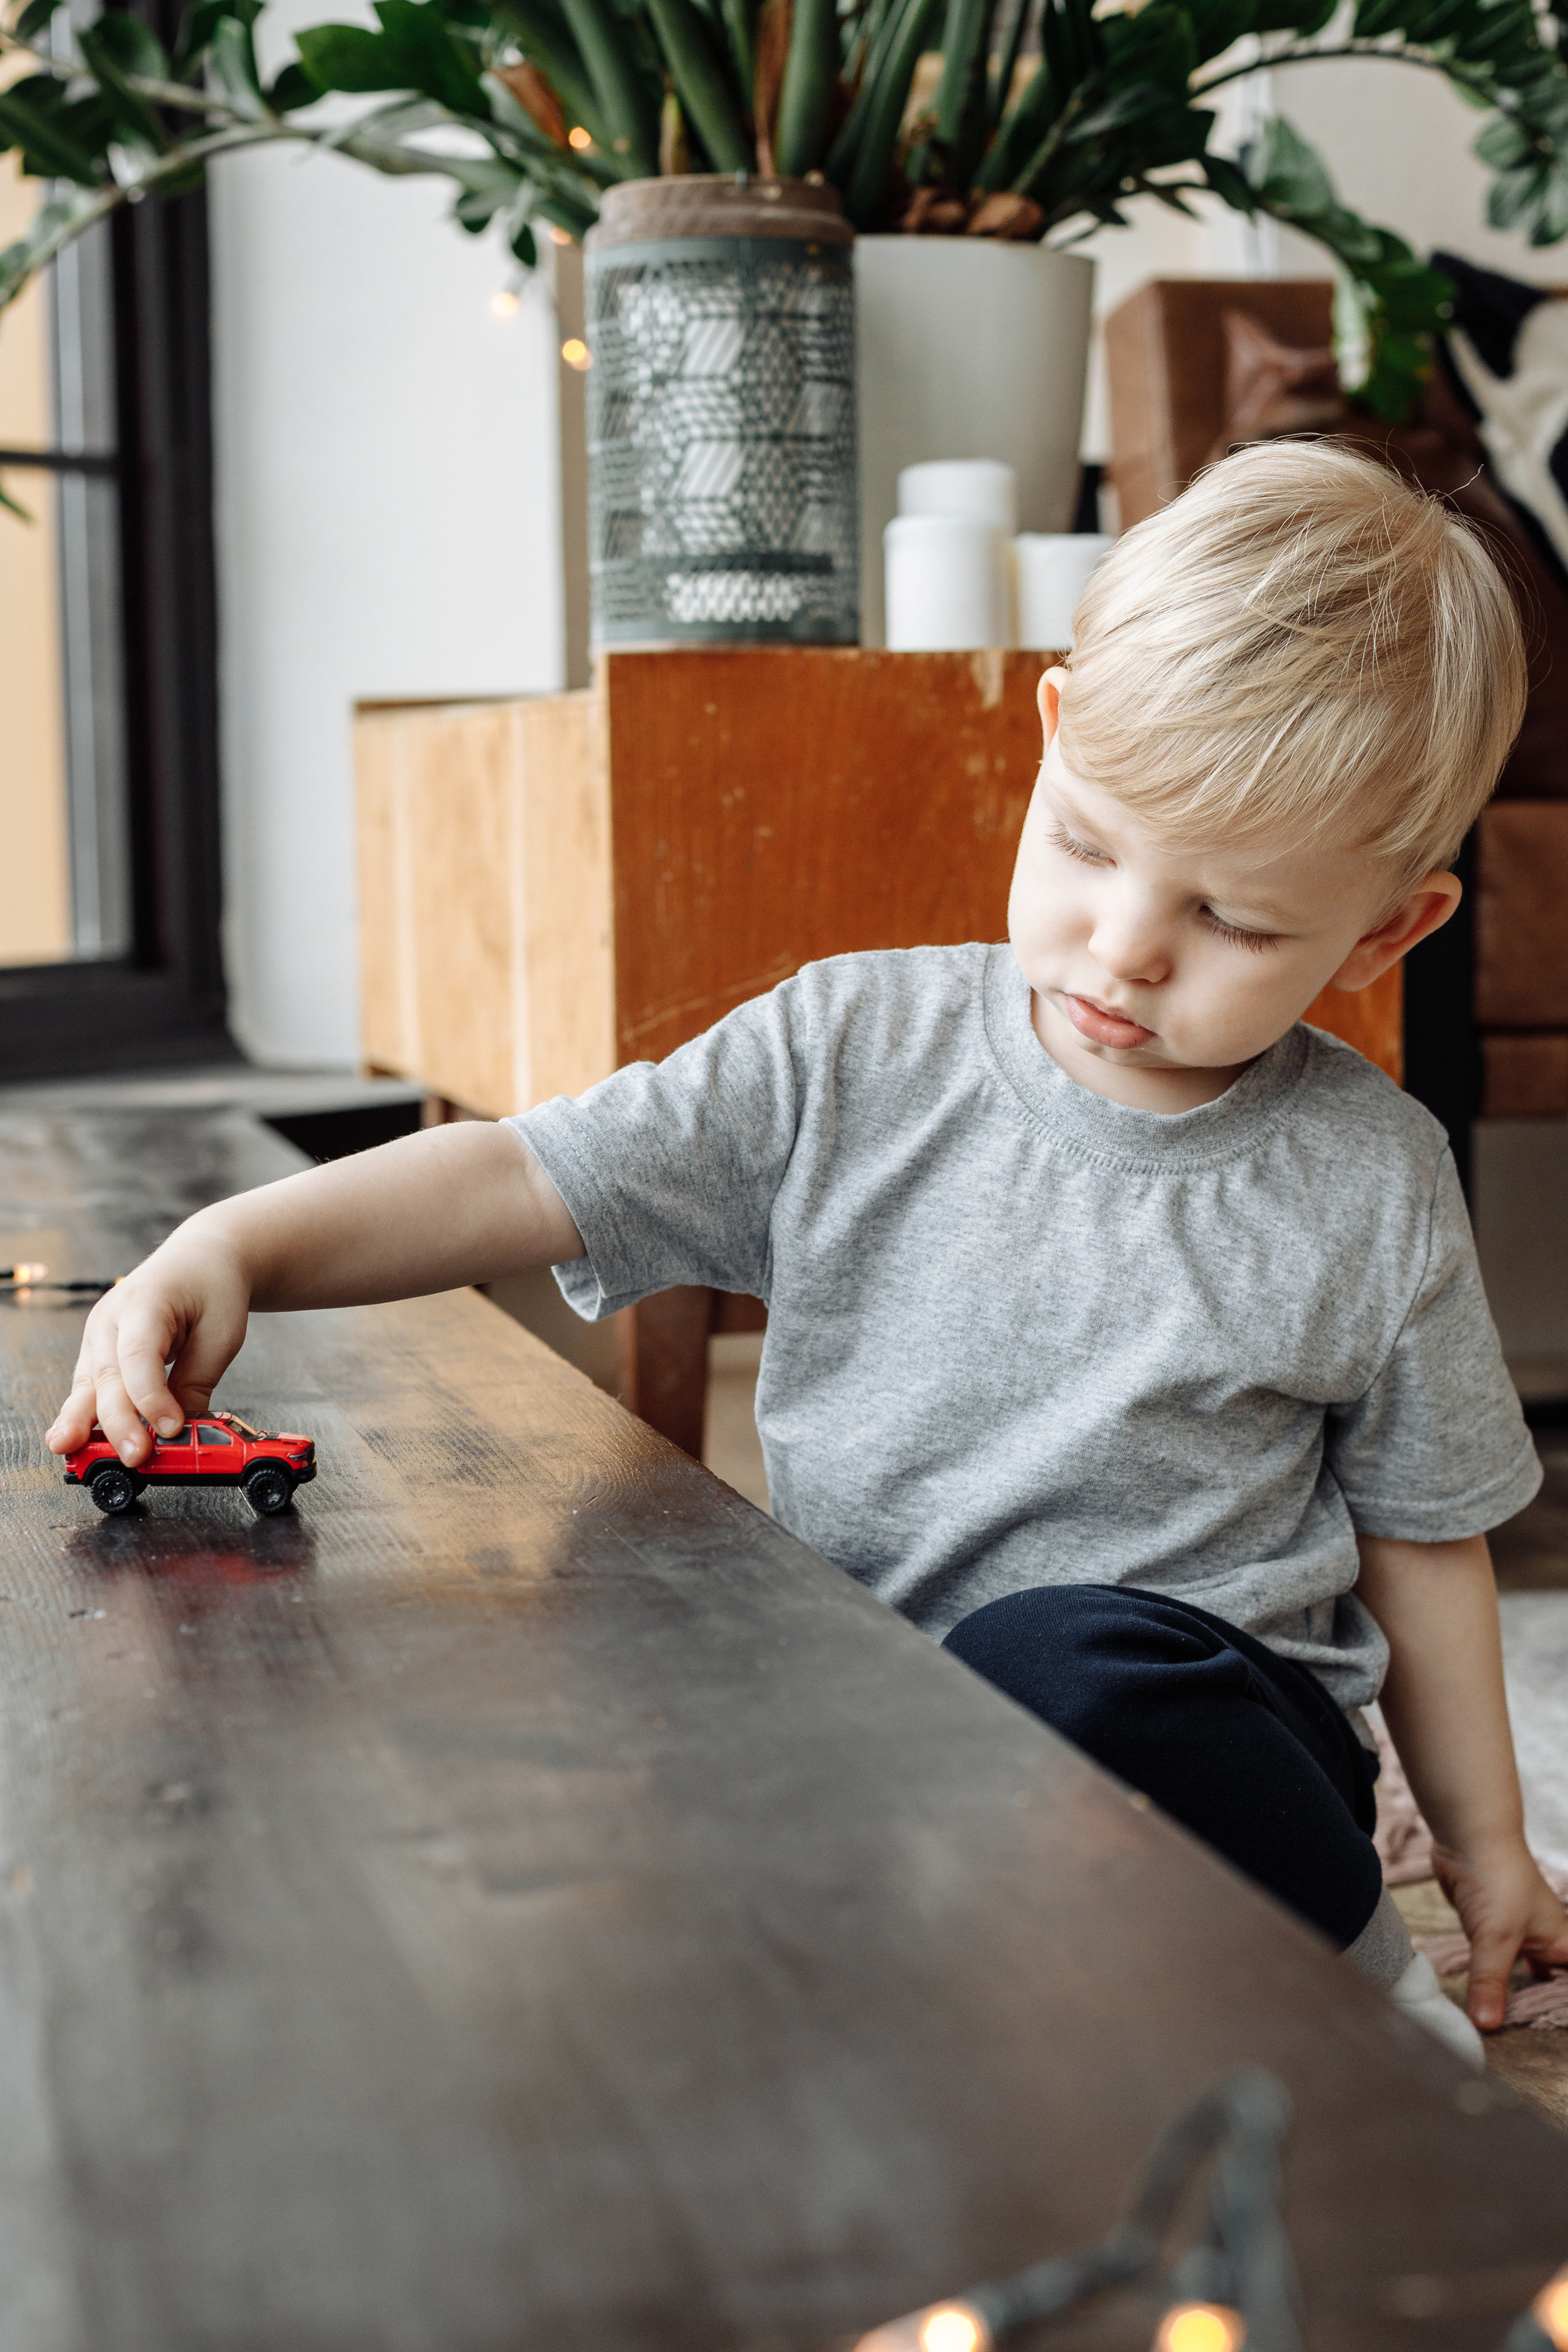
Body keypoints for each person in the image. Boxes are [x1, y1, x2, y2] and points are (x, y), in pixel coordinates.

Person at [50, 440, 1568, 2065]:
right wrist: (236, 1247)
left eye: (1241, 924)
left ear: (1386, 932)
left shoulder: (1370, 1177)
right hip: (872, 1730)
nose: (1127, 945)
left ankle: (1345, 1987)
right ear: (1049, 739)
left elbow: (1424, 1543)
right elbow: (521, 1170)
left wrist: (1490, 1854)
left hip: (1195, 1744)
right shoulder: (853, 1050)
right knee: (630, 1687)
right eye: (1089, 846)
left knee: (1070, 1655)